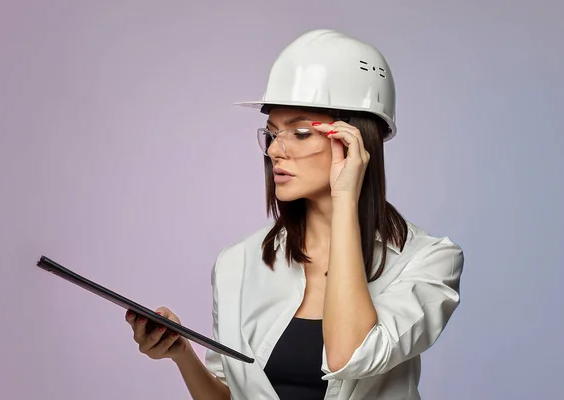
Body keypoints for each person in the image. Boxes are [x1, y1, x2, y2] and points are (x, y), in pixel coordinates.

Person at [125, 29, 464, 400]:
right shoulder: (237, 263)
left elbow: (350, 355)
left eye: (300, 132)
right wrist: (182, 355)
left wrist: (345, 198)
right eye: (272, 133)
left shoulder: (429, 261)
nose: (274, 151)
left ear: (356, 139)